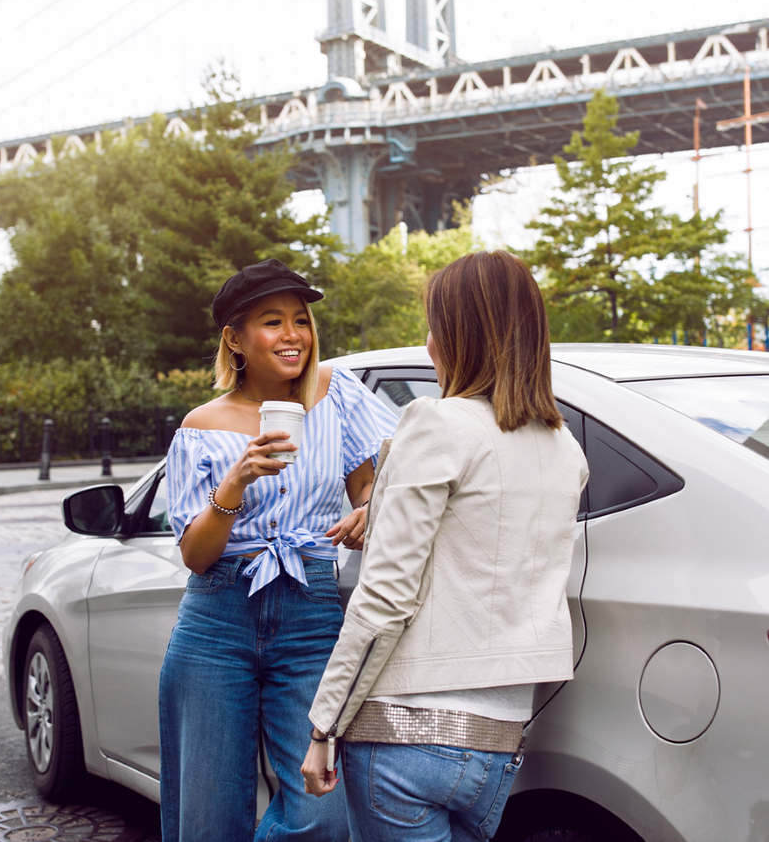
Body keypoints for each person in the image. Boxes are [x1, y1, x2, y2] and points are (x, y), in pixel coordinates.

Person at [301, 250, 589, 841]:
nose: (428, 341)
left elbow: (385, 597)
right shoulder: (566, 451)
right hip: (500, 742)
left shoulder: (435, 423)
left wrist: (324, 725)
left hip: (404, 736)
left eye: (434, 324)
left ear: (460, 334)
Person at [159, 259, 398, 842]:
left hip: (311, 610)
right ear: (235, 339)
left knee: (322, 812)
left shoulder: (336, 395)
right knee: (208, 818)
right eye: (272, 321)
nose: (293, 335)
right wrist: (235, 483)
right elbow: (195, 555)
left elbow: (370, 482)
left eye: (300, 320)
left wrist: (371, 506)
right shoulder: (201, 426)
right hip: (218, 617)